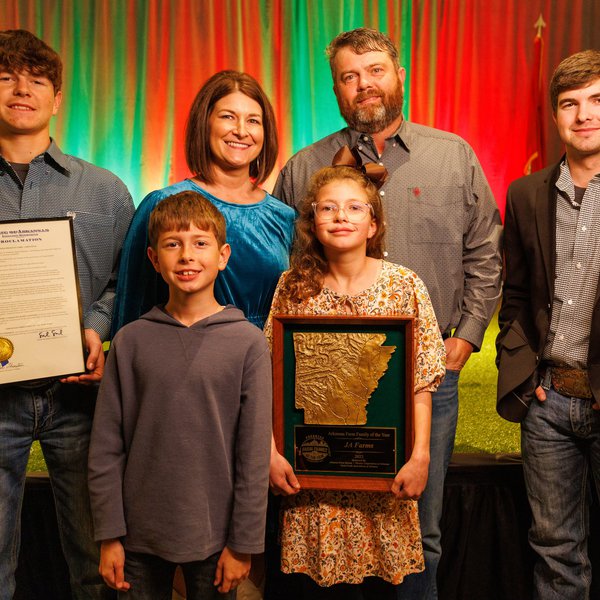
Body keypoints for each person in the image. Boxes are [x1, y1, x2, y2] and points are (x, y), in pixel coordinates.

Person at [272, 28, 502, 598]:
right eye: (349, 77)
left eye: (374, 70)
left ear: (400, 76)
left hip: (429, 379)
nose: (363, 85)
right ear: (335, 90)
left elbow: (486, 252)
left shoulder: (452, 156)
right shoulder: (303, 168)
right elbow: (283, 266)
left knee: (420, 527)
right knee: (326, 525)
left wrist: (466, 339)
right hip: (325, 388)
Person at [264, 165, 446, 598]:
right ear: (312, 222)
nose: (340, 216)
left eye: (353, 207)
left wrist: (420, 457)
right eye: (327, 208)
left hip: (385, 482)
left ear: (373, 223)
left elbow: (421, 378)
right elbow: (270, 378)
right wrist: (270, 453)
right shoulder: (292, 287)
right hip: (313, 483)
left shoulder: (404, 285)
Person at [0, 30, 134, 599]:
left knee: (94, 560)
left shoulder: (104, 190)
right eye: (5, 77)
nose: (20, 89)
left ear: (56, 98)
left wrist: (98, 330)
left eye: (36, 80)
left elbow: (122, 285)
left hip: (79, 400)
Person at [88, 192, 272, 599]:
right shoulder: (129, 342)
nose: (187, 256)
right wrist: (109, 535)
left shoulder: (248, 344)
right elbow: (106, 447)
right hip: (136, 538)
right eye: (173, 244)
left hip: (218, 536)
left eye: (200, 243)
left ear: (223, 255)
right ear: (154, 259)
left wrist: (243, 543)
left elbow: (254, 454)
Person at [496, 49, 600, 600]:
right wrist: (522, 373)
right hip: (549, 402)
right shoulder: (525, 193)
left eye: (596, 101)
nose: (584, 114)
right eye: (570, 104)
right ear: (556, 116)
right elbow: (514, 295)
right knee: (555, 551)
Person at [112, 70, 295, 333]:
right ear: (205, 123)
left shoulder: (283, 216)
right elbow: (133, 307)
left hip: (265, 360)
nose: (241, 131)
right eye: (228, 117)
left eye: (253, 120)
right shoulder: (162, 204)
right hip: (184, 354)